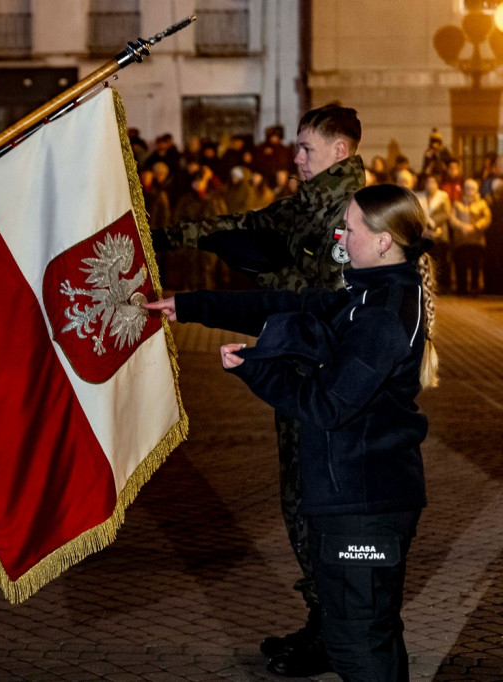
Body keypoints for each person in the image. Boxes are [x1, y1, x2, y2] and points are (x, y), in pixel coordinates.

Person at [147, 183, 437, 681]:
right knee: (362, 638)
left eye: (351, 225)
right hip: (353, 499)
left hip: (364, 506)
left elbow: (328, 404)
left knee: (360, 646)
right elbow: (287, 305)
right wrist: (191, 306)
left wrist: (257, 369)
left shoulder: (385, 313)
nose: (341, 234)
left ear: (385, 240)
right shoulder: (370, 293)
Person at [157, 104, 366, 678]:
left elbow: (320, 304)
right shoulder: (309, 204)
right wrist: (165, 237)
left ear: (340, 151)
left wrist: (255, 287)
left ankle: (338, 633)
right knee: (299, 503)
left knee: (320, 507)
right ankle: (323, 619)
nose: (295, 157)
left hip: (328, 390)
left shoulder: (352, 217)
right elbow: (246, 229)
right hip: (299, 380)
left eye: (306, 148)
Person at [449, 178, 491, 295]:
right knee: (461, 264)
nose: (470, 191)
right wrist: (462, 226)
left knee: (475, 265)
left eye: (472, 189)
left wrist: (475, 226)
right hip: (461, 240)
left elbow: (487, 218)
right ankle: (461, 288)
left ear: (476, 190)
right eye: (467, 188)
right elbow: (452, 218)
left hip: (476, 240)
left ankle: (474, 287)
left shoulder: (482, 204)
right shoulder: (457, 204)